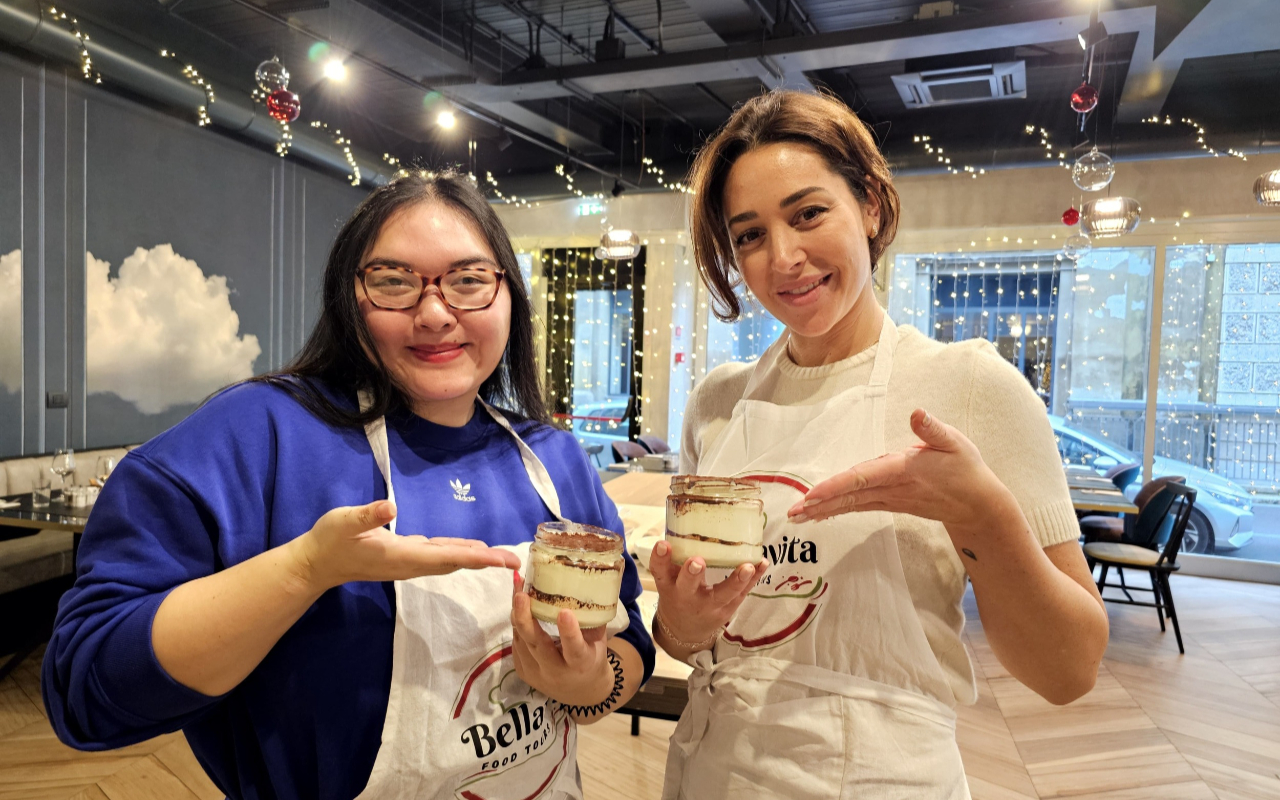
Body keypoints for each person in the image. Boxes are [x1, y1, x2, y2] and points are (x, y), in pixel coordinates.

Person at [43, 170, 655, 800]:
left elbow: (626, 641)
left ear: (509, 297)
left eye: (469, 281)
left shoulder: (556, 458)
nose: (436, 313)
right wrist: (305, 570)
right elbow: (88, 690)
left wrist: (583, 684)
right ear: (348, 297)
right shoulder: (258, 436)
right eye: (394, 282)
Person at [649, 91, 1109, 798]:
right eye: (749, 236)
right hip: (713, 770)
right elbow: (691, 641)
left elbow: (1069, 670)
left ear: (868, 204)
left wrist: (982, 515)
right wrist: (678, 624)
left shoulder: (969, 386)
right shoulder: (719, 401)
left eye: (808, 214)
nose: (784, 258)